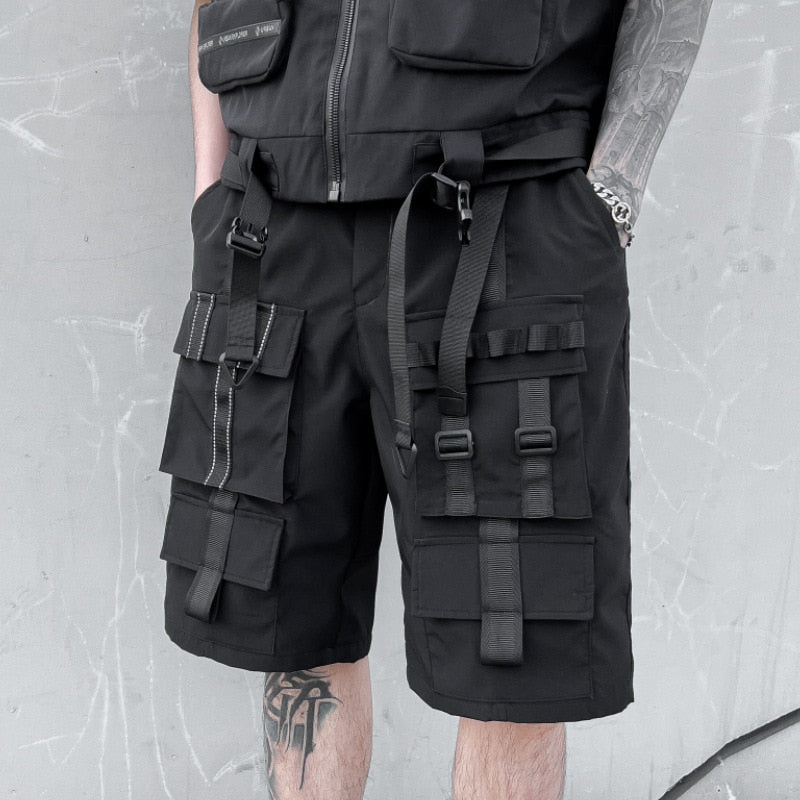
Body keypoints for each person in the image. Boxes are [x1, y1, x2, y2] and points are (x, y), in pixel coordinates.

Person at [157, 0, 714, 797]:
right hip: (269, 234)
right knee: (293, 633)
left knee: (510, 649)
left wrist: (612, 195)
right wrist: (210, 190)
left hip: (497, 221)